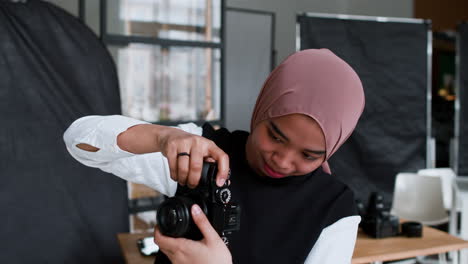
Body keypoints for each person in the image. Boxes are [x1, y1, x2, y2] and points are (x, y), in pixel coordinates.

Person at [63, 49, 365, 264]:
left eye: (309, 155)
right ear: (263, 107)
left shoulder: (334, 208)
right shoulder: (205, 152)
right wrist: (162, 136)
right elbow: (79, 141)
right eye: (275, 136)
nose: (283, 161)